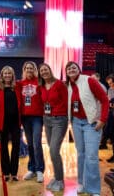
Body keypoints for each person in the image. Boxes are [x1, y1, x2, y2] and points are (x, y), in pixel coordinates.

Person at [65, 61, 109, 196]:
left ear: (79, 69)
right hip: (76, 123)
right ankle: (82, 183)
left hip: (91, 124)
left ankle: (94, 189)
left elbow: (104, 100)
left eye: (74, 67)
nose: (71, 69)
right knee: (81, 154)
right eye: (69, 68)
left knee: (91, 156)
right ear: (66, 72)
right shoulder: (68, 86)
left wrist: (102, 120)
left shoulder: (89, 80)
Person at [38, 63, 68, 191]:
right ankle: (56, 177)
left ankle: (60, 180)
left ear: (50, 70)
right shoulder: (42, 86)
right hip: (47, 119)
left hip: (59, 119)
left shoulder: (60, 84)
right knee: (52, 150)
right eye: (42, 71)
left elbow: (67, 101)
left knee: (54, 150)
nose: (44, 72)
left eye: (46, 69)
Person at [0, 66, 22, 182]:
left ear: (12, 75)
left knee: (16, 146)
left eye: (9, 73)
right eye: (5, 73)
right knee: (3, 147)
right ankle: (6, 172)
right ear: (2, 75)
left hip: (15, 122)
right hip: (3, 121)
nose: (7, 75)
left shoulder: (17, 86)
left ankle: (14, 172)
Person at [20, 61, 45, 183]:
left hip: (37, 117)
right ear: (24, 70)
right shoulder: (21, 83)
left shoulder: (39, 82)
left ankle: (40, 170)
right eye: (27, 68)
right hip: (25, 118)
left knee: (36, 143)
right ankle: (32, 168)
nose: (29, 70)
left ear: (34, 70)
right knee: (29, 144)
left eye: (31, 68)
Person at [102, 73, 114, 163]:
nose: (109, 85)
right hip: (111, 115)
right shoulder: (110, 89)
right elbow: (110, 102)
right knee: (113, 137)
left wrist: (112, 104)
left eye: (110, 83)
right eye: (108, 83)